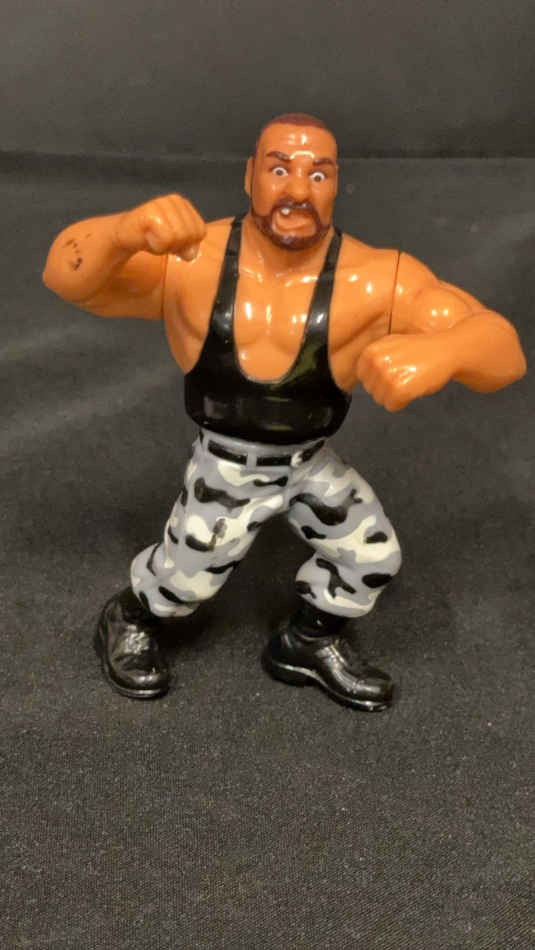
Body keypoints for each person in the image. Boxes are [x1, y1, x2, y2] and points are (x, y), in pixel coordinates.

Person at [43, 113, 526, 709]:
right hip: (229, 466)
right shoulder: (192, 261)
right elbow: (66, 275)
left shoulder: (377, 280)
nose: (297, 190)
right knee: (185, 580)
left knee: (372, 556)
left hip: (308, 461)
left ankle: (306, 641)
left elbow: (503, 350)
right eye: (279, 169)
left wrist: (445, 351)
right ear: (250, 176)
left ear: (336, 185)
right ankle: (131, 615)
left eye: (317, 174)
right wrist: (122, 232)